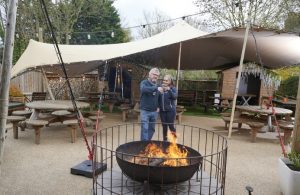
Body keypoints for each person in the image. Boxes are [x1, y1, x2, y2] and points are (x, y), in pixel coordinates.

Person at [139, 68, 163, 141]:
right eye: (154, 74)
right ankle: (144, 145)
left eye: (157, 75)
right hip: (145, 111)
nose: (155, 76)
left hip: (154, 112)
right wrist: (156, 88)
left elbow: (159, 97)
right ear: (149, 74)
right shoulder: (144, 82)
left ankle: (147, 143)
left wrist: (159, 106)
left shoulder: (158, 85)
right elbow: (143, 89)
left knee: (152, 129)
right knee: (145, 129)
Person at [158, 74, 178, 141]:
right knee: (164, 126)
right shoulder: (160, 88)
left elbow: (175, 97)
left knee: (171, 126)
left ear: (170, 81)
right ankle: (165, 141)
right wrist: (158, 106)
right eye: (164, 80)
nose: (165, 82)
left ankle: (174, 141)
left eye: (166, 80)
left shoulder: (173, 88)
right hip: (162, 111)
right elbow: (158, 99)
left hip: (170, 111)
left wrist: (169, 90)